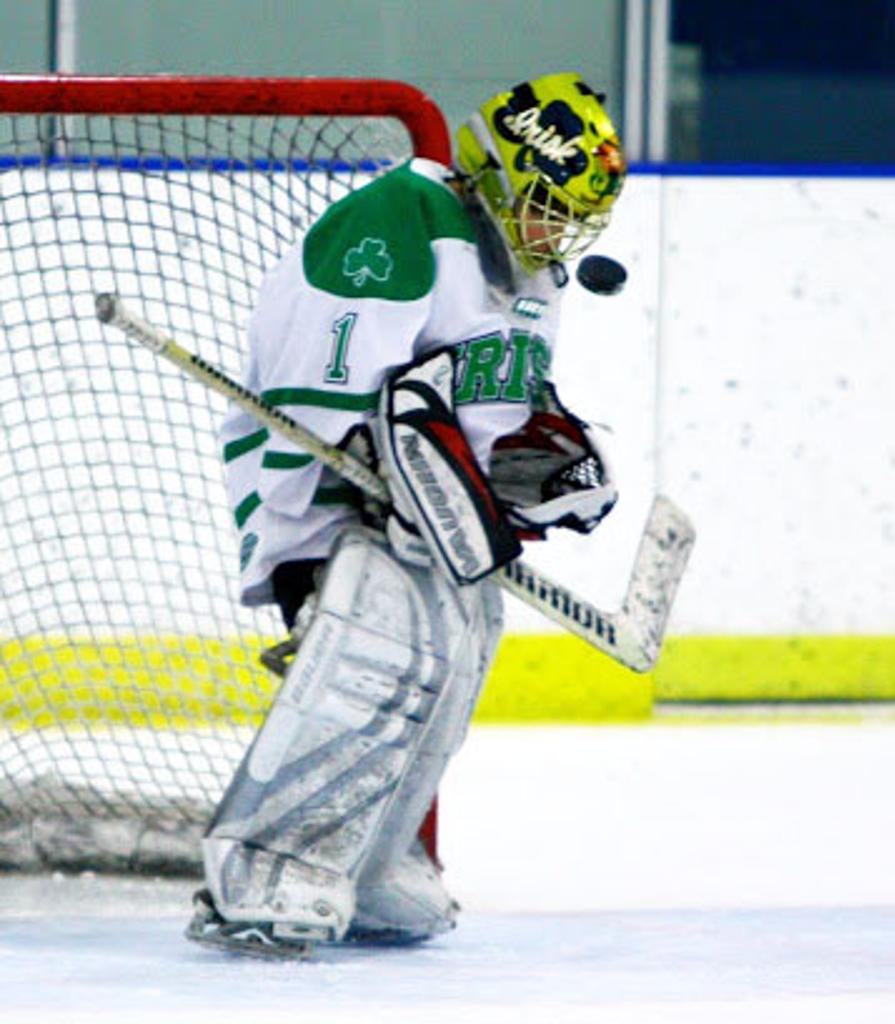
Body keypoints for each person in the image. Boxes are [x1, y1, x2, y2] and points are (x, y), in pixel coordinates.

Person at [186, 72, 627, 959]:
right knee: (378, 661)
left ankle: (370, 857)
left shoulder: (534, 270)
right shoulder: (396, 222)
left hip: (430, 509)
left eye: (575, 217)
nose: (558, 232)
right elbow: (312, 392)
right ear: (500, 174)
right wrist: (384, 483)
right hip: (328, 500)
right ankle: (268, 867)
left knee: (456, 662)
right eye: (548, 204)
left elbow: (494, 406)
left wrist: (548, 462)